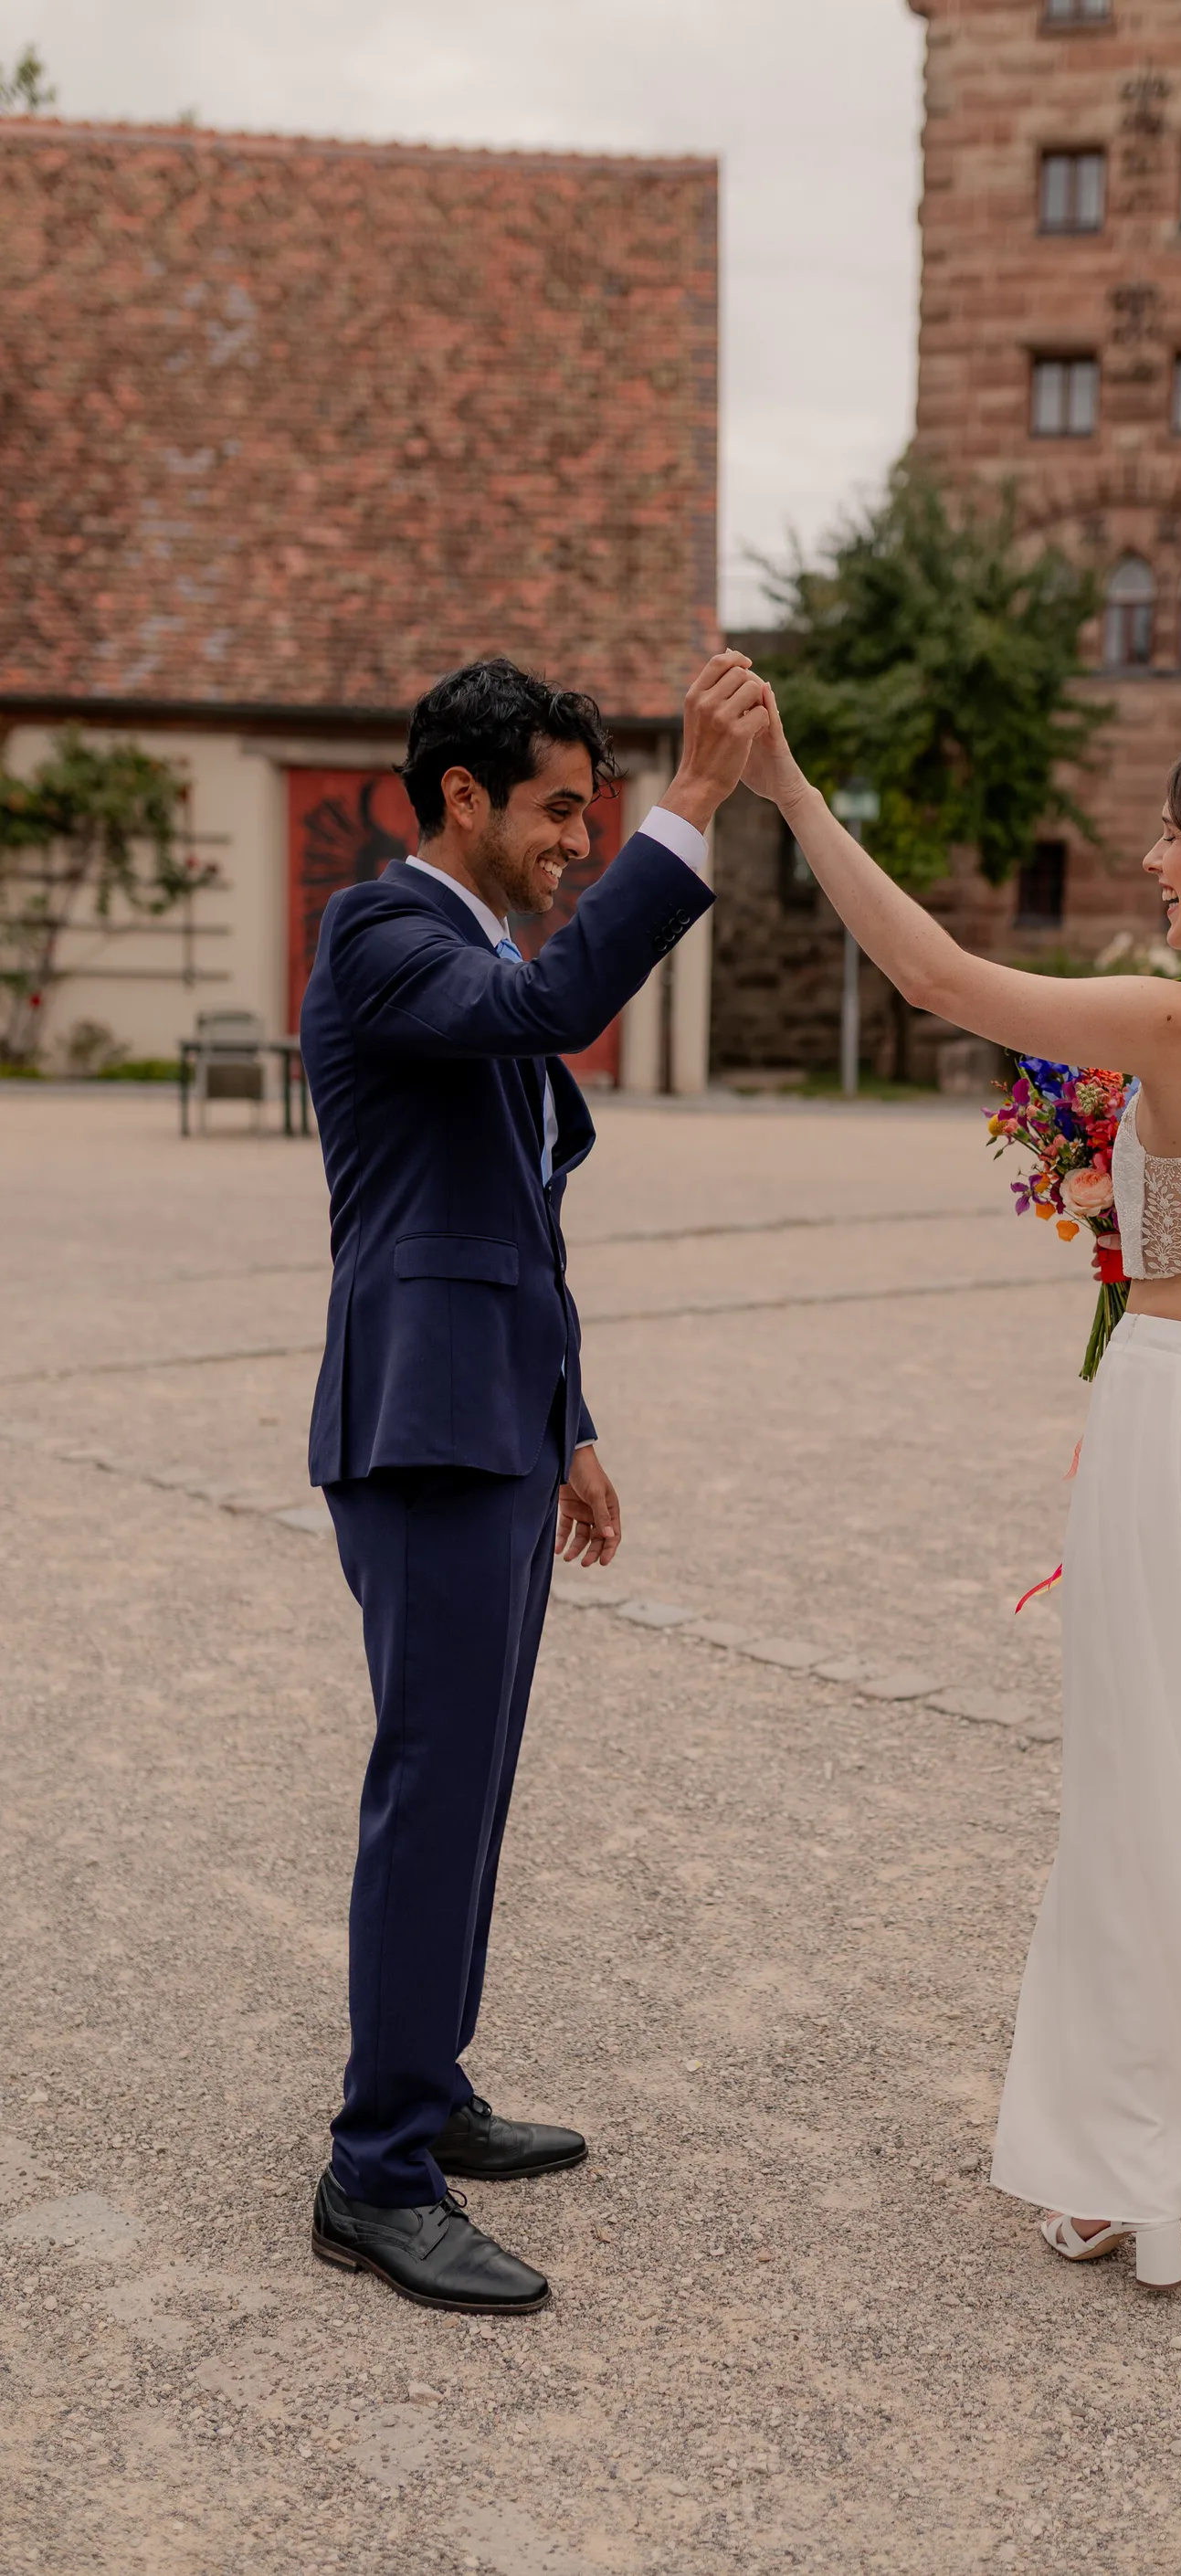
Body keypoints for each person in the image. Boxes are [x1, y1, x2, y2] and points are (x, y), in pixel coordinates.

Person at [741, 709, 1181, 2293]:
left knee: (1151, 1779)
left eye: (1170, 836)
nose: (1148, 858)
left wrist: (788, 788)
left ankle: (1134, 2159)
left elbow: (934, 976)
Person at [298, 649, 767, 2315]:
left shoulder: (478, 950)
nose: (584, 837)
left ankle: (428, 2081)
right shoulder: (383, 933)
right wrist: (697, 804)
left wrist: (571, 1423)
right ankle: (374, 2171)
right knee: (433, 1780)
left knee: (476, 1776)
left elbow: (525, 1225)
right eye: (564, 808)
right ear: (464, 801)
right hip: (418, 1423)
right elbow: (555, 1009)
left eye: (604, 811)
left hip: (497, 1422)